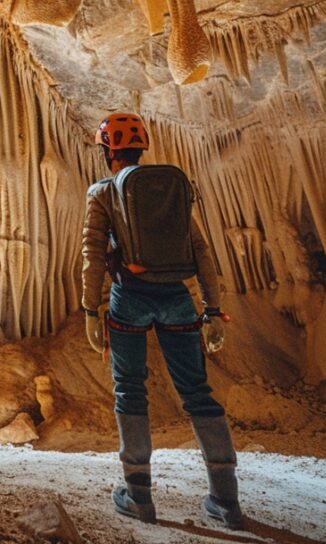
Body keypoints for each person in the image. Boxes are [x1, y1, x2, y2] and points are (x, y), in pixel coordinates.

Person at [81, 112, 243, 529]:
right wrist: (211, 308)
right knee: (198, 393)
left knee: (130, 392)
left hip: (129, 299)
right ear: (141, 147)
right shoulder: (170, 190)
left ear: (107, 151)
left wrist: (89, 309)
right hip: (177, 297)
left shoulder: (102, 192)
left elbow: (93, 254)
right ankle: (226, 499)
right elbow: (201, 250)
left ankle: (138, 497)